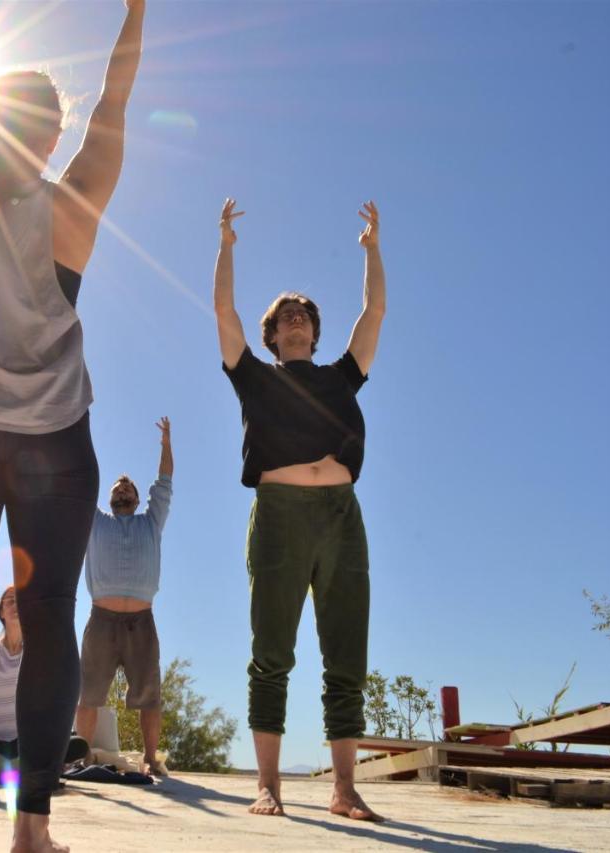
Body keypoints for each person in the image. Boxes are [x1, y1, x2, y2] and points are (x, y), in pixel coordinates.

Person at [0, 1, 145, 849]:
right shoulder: (74, 201)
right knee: (44, 614)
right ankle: (31, 830)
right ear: (51, 138)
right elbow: (115, 102)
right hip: (52, 446)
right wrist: (136, 13)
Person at [213, 198, 386, 821]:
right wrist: (226, 247)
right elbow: (224, 312)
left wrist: (371, 251)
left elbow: (374, 314)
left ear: (313, 331)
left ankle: (345, 789)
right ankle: (269, 787)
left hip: (342, 516)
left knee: (346, 653)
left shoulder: (342, 376)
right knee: (273, 653)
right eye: (285, 317)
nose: (295, 321)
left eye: (303, 316)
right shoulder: (254, 377)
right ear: (274, 334)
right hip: (280, 514)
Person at [75, 417, 172, 776]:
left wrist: (165, 445)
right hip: (101, 621)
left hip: (142, 622)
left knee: (150, 695)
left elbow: (164, 484)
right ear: (110, 498)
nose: (122, 491)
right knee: (88, 695)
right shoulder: (95, 522)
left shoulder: (151, 521)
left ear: (136, 497)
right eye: (117, 488)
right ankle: (80, 756)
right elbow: (80, 480)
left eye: (127, 487)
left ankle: (150, 757)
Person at [0, 586, 89, 781]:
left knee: (77, 744)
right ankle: (19, 766)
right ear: (1, 612)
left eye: (21, 601)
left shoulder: (37, 652)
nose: (16, 605)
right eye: (10, 601)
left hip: (25, 744)